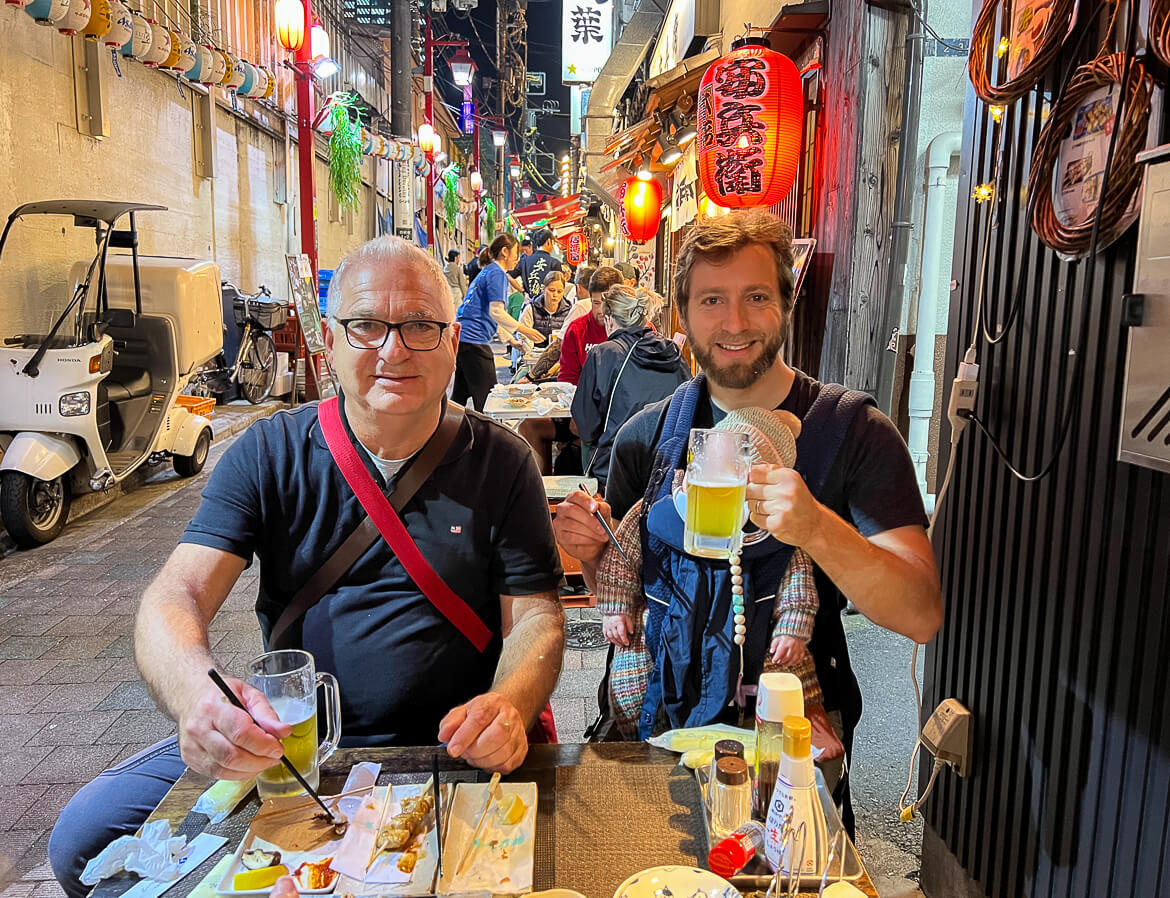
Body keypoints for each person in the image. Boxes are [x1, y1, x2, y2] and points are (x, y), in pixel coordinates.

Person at [49, 235, 566, 898]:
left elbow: (536, 618)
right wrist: (200, 700)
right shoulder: (269, 453)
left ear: (452, 338)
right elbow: (173, 596)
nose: (394, 349)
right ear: (329, 336)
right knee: (83, 839)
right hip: (294, 752)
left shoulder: (502, 462)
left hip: (451, 749)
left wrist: (512, 703)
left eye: (420, 327)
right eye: (367, 326)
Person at [552, 209, 942, 834]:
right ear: (682, 315)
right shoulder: (645, 440)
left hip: (788, 758)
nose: (734, 323)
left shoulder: (855, 436)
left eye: (757, 296)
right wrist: (597, 558)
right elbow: (631, 598)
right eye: (712, 300)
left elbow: (920, 613)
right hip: (659, 740)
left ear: (788, 301)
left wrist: (815, 526)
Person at [572, 284, 689, 490]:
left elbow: (586, 426)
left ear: (609, 320)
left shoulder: (603, 354)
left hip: (614, 472)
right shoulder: (673, 351)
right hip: (668, 470)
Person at [453, 234, 543, 411]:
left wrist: (512, 341)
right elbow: (496, 312)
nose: (518, 258)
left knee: (458, 399)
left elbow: (492, 314)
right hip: (474, 341)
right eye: (516, 253)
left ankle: (451, 436)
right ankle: (486, 438)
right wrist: (525, 330)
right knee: (490, 403)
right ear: (505, 252)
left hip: (462, 339)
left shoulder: (488, 271)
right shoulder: (498, 273)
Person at [558, 266, 623, 386]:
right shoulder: (576, 330)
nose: (601, 311)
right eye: (596, 303)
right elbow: (567, 379)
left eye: (607, 303)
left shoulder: (634, 329)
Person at [511, 228, 564, 301]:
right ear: (549, 241)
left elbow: (508, 275)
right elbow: (560, 286)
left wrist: (523, 291)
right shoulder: (554, 263)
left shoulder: (525, 261)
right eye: (553, 242)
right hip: (547, 307)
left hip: (530, 305)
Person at [444, 248, 468, 312]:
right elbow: (462, 284)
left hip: (447, 292)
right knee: (457, 311)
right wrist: (465, 295)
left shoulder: (444, 268)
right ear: (456, 258)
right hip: (456, 293)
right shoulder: (457, 269)